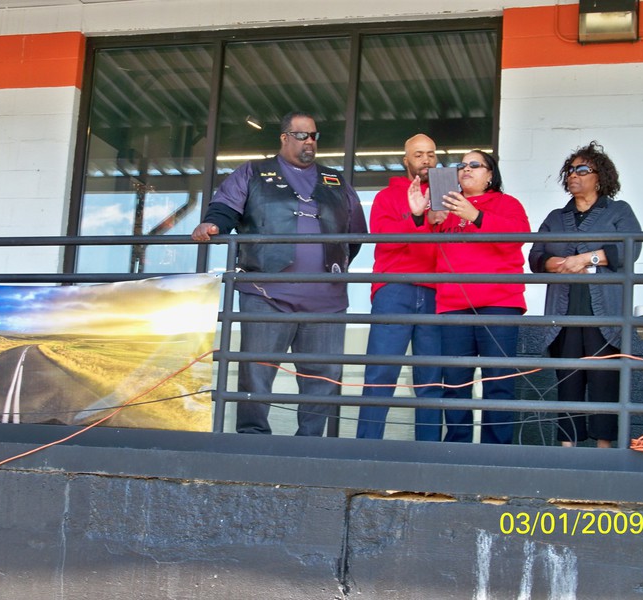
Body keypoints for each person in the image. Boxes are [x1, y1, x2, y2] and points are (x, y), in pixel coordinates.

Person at [192, 111, 368, 436]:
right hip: (266, 293)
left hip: (326, 299)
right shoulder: (253, 172)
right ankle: (253, 437)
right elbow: (225, 208)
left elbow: (355, 235)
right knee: (256, 372)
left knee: (323, 377)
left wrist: (331, 265)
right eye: (301, 135)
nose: (309, 141)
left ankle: (309, 444)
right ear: (284, 137)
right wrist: (213, 224)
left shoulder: (335, 180)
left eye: (314, 135)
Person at [411, 150, 530, 444]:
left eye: (475, 165)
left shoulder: (507, 203)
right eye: (462, 165)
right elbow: (421, 254)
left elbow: (518, 236)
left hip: (499, 303)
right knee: (455, 382)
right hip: (453, 305)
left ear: (490, 175)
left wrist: (476, 216)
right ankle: (457, 450)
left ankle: (495, 452)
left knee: (498, 382)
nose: (466, 169)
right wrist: (420, 217)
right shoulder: (444, 208)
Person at [528, 141, 642, 448]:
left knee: (604, 383)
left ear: (600, 177)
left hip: (603, 315)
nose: (573, 176)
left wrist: (586, 258)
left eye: (581, 170)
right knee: (568, 382)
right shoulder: (556, 217)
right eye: (570, 170)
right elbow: (536, 256)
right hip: (564, 313)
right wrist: (558, 263)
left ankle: (604, 453)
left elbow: (630, 250)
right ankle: (568, 452)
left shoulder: (617, 211)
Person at [356, 134, 446, 441]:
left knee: (431, 380)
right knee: (381, 374)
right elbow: (385, 239)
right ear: (406, 160)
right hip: (394, 289)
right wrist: (418, 216)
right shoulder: (386, 196)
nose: (426, 159)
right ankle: (366, 450)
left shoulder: (448, 194)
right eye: (418, 154)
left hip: (437, 291)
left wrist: (445, 217)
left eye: (431, 153)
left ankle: (428, 454)